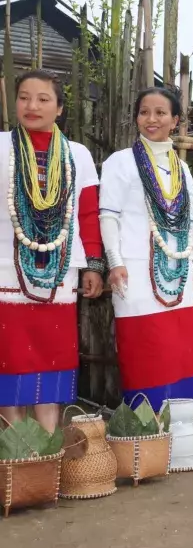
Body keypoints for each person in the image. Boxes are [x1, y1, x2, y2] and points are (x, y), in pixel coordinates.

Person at [0, 70, 104, 433]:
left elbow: (89, 214)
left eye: (43, 99)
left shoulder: (78, 155)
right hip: (5, 270)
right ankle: (13, 449)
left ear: (59, 109)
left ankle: (48, 445)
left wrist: (93, 265)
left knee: (52, 354)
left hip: (59, 273)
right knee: (9, 359)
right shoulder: (0, 147)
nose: (32, 106)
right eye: (24, 97)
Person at [99, 87, 193, 411]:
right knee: (145, 346)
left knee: (182, 347)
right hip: (134, 272)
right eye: (144, 112)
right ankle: (148, 428)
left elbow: (190, 223)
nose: (151, 119)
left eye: (160, 113)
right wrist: (115, 262)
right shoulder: (120, 162)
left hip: (178, 271)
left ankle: (185, 425)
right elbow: (108, 216)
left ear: (175, 121)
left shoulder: (182, 169)